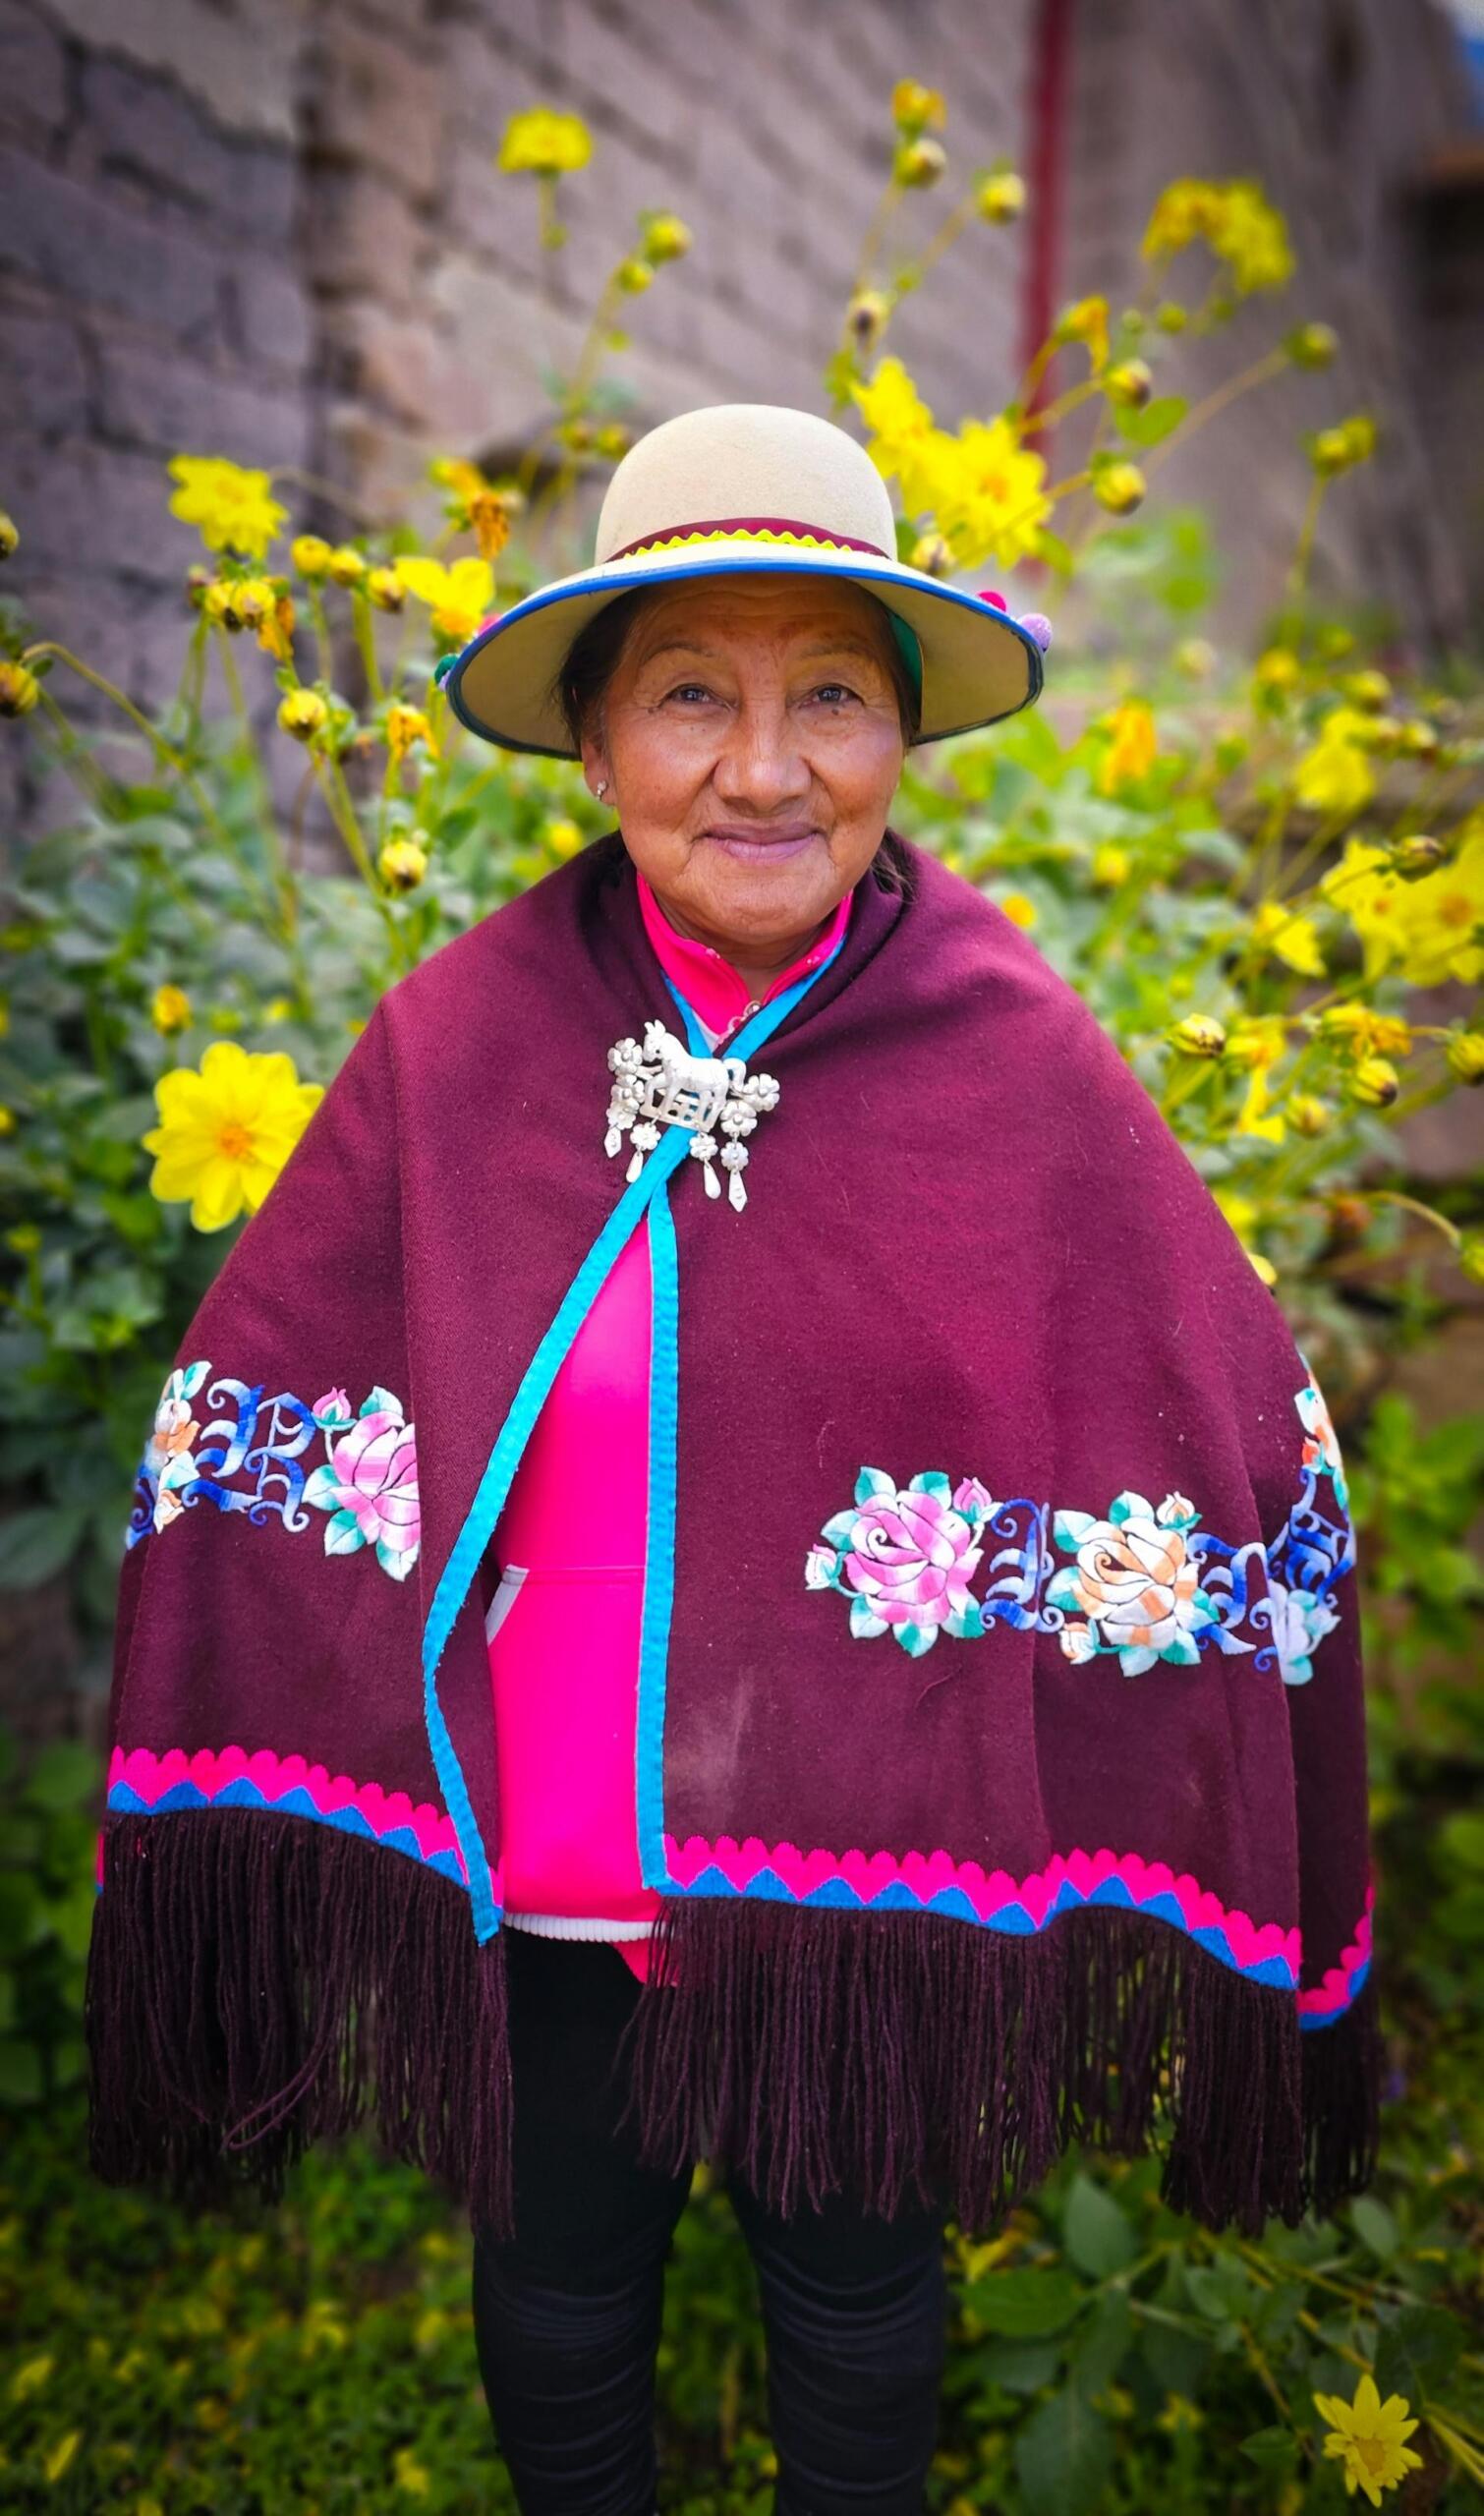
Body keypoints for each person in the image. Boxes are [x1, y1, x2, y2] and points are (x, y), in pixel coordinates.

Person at [88, 403, 1380, 2516]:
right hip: (550, 1835)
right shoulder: (459, 1043)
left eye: (832, 698)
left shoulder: (1014, 1058)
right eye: (691, 694)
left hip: (866, 1845)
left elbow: (1208, 1403)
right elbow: (265, 1395)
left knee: (859, 2298)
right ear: (596, 745)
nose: (764, 769)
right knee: (557, 2282)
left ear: (902, 742)